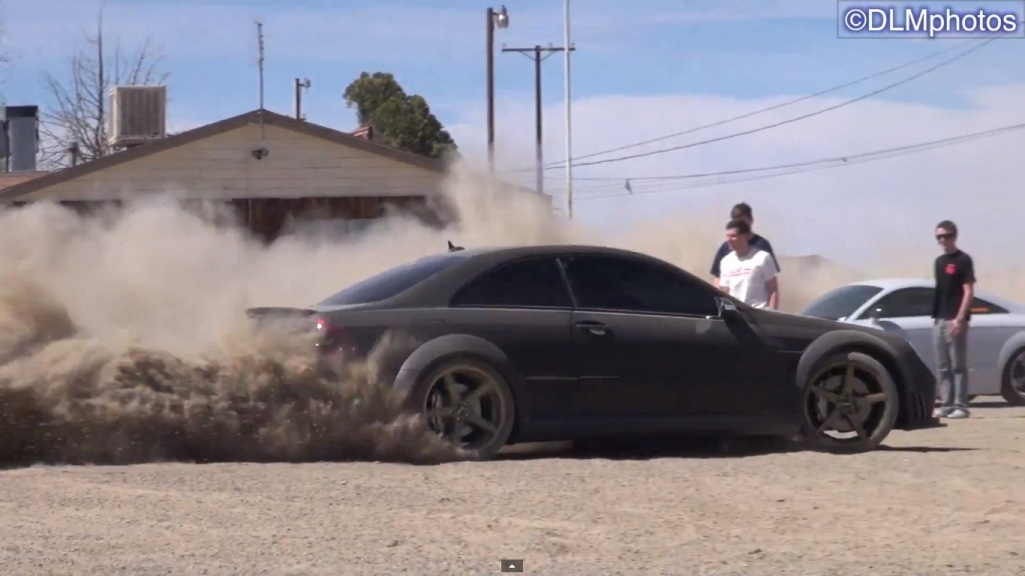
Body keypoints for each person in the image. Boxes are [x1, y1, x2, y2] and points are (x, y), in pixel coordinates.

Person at [931, 220, 976, 419]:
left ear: (955, 236)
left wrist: (960, 318)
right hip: (939, 319)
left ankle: (961, 405)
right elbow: (940, 292)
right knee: (942, 365)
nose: (943, 240)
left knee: (958, 365)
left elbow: (968, 290)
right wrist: (936, 318)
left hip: (955, 319)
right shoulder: (939, 262)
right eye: (939, 236)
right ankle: (946, 404)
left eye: (946, 236)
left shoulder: (963, 260)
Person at [710, 202, 780, 289]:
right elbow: (717, 277)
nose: (740, 226)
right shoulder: (726, 247)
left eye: (743, 222)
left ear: (751, 221)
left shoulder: (762, 245)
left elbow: (771, 279)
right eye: (737, 222)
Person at [717, 218, 780, 309]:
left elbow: (773, 290)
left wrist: (772, 314)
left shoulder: (762, 258)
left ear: (745, 236)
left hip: (758, 313)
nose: (729, 240)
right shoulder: (725, 262)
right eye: (728, 236)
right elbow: (725, 292)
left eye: (733, 236)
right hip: (737, 314)